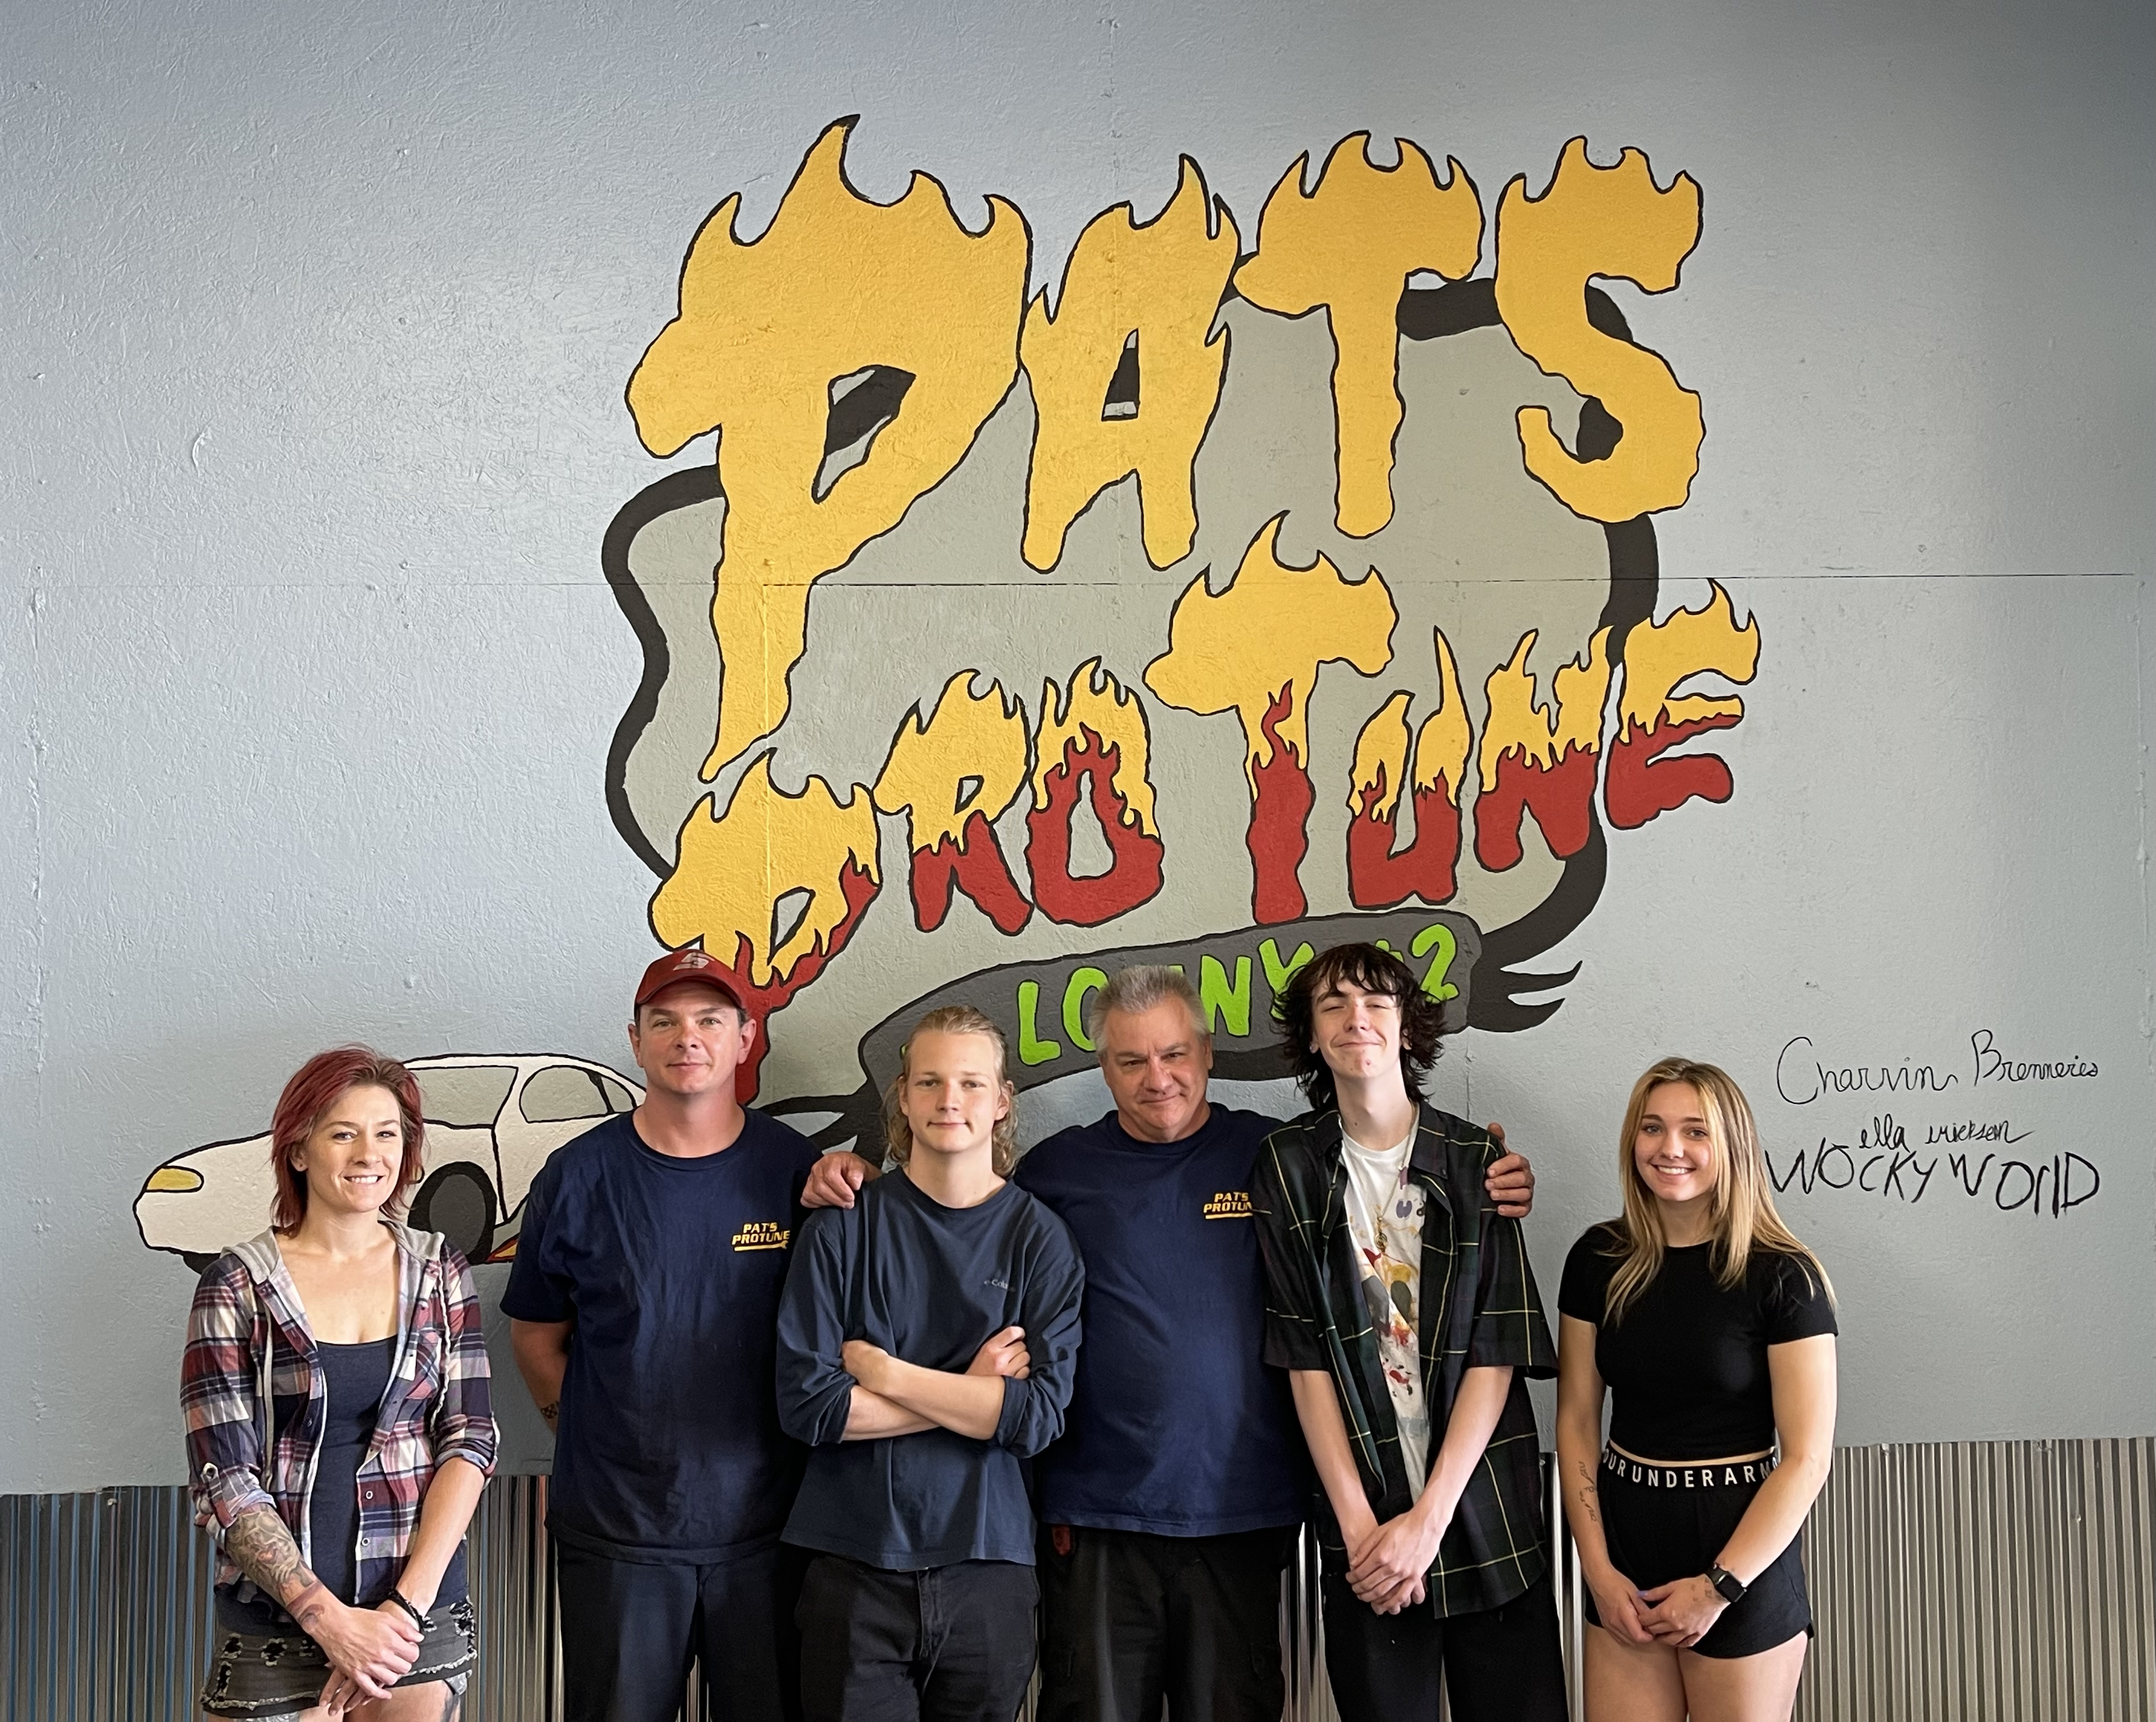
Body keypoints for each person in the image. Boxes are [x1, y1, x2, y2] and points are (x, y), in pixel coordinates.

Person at [804, 964, 1537, 1722]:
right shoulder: (1056, 1172)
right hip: (1092, 1517)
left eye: (1174, 1055)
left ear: (1207, 1053)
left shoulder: (1276, 1158)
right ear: (1104, 1068)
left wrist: (1485, 1172)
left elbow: (1387, 1176)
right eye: (1131, 1061)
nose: (1157, 1078)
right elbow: (954, 1204)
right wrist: (854, 1171)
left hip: (1240, 1513)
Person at [503, 949, 822, 1722]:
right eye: (665, 1021)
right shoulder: (577, 1176)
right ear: (636, 1040)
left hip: (770, 1534)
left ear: (746, 1038)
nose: (688, 1037)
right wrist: (578, 1426)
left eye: (710, 1019)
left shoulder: (795, 1170)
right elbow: (535, 1337)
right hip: (617, 1539)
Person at [1252, 942, 1566, 1722]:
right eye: (1332, 1006)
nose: (1354, 1018)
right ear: (1312, 1038)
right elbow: (1302, 1359)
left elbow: (1496, 1354)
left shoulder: (1473, 1161)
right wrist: (1364, 1533)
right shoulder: (1287, 1165)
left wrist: (1428, 1525)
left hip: (1482, 1509)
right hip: (1361, 1520)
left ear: (1405, 1028)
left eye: (1374, 1003)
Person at [777, 1006, 1087, 1722]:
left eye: (972, 1083)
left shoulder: (1041, 1241)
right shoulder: (842, 1227)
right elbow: (812, 1407)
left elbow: (1036, 1419)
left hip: (991, 1567)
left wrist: (887, 1376)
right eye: (931, 1081)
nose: (951, 1100)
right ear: (904, 1096)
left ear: (1003, 1100)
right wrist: (976, 1395)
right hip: (853, 1564)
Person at [183, 1046, 496, 1721]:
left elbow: (470, 1441)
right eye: (342, 1133)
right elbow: (225, 1481)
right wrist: (330, 1622)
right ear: (299, 1151)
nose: (368, 1153)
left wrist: (400, 1612)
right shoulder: (236, 1285)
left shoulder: (440, 1271)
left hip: (413, 1618)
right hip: (277, 1618)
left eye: (387, 1134)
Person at [1555, 1058, 1838, 1722]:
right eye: (1651, 1128)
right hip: (1624, 1548)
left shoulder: (1783, 1276)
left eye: (1695, 1131)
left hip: (1740, 1552)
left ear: (1732, 1146)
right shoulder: (1597, 1260)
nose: (1669, 1149)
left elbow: (1807, 1459)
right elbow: (1574, 1422)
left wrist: (1717, 1589)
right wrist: (1597, 1571)